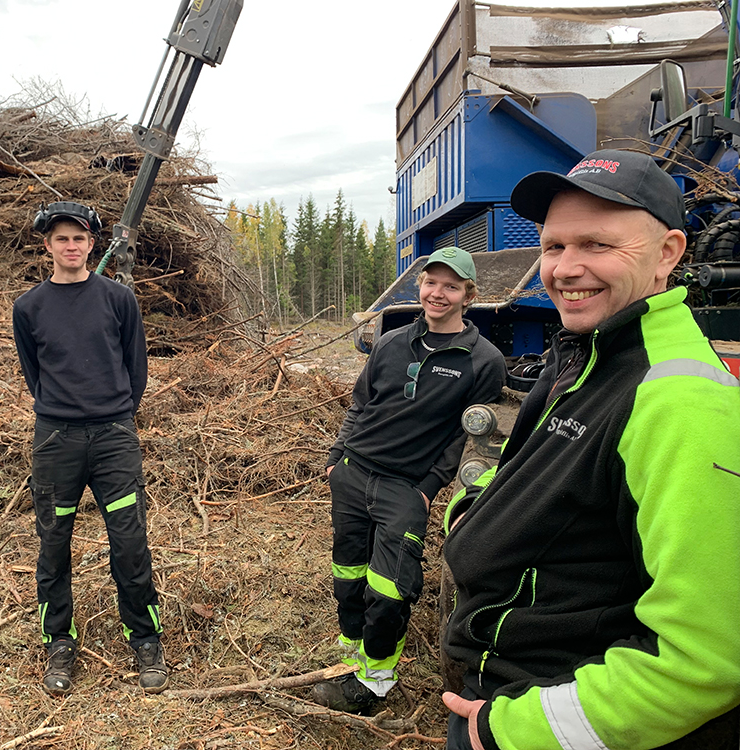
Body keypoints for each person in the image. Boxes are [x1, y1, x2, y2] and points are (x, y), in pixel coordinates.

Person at [441, 149, 740, 749]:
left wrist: (510, 730)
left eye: (598, 246)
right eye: (554, 247)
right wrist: (476, 513)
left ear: (669, 254)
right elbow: (558, 484)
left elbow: (706, 658)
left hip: (553, 722)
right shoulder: (591, 358)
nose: (566, 268)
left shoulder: (677, 400)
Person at [313, 247, 506, 713]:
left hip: (405, 488)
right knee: (347, 570)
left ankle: (376, 678)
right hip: (353, 474)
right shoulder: (390, 343)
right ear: (419, 287)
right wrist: (337, 457)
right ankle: (351, 645)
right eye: (431, 282)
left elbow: (466, 438)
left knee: (390, 587)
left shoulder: (483, 360)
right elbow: (361, 403)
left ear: (468, 295)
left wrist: (428, 487)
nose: (438, 293)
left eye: (451, 286)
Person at [12, 201, 168, 695]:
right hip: (56, 441)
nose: (71, 246)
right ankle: (59, 641)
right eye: (62, 238)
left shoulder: (118, 299)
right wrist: (65, 410)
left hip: (113, 439)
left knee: (129, 541)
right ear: (48, 246)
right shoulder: (29, 307)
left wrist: (113, 413)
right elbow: (33, 373)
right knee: (54, 544)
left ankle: (144, 638)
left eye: (79, 238)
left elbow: (135, 366)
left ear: (91, 244)